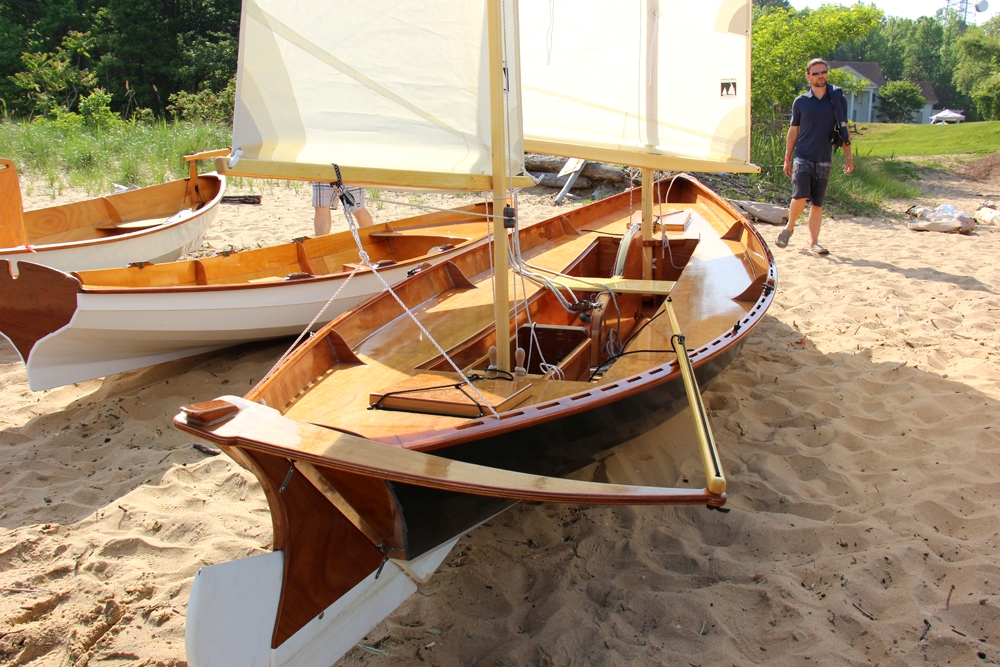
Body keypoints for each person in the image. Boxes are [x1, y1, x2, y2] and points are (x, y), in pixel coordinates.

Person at [775, 57, 853, 256]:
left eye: (824, 71)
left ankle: (814, 243)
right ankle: (789, 228)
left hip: (824, 156)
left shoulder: (837, 99)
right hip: (803, 155)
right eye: (816, 73)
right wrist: (787, 158)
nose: (821, 76)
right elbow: (793, 131)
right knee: (800, 196)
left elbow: (844, 129)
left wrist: (849, 156)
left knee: (817, 203)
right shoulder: (801, 101)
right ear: (808, 76)